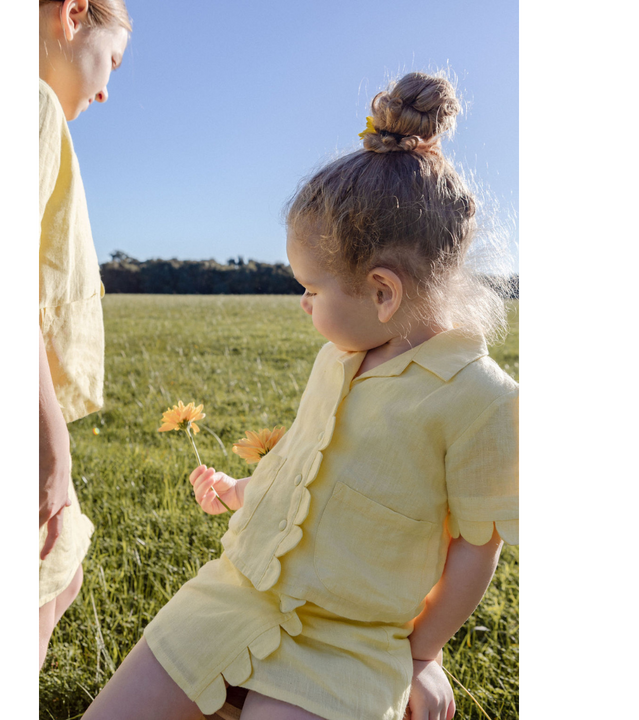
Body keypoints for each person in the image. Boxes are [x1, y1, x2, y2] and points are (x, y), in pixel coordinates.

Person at [83, 71, 518, 720]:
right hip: (238, 593)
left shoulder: (481, 400)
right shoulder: (337, 360)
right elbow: (309, 465)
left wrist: (421, 655)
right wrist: (242, 490)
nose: (303, 305)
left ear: (381, 293)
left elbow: (475, 548)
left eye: (312, 290)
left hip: (350, 647)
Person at [39, 0, 131, 670]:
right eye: (113, 61)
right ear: (72, 16)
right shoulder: (34, 108)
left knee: (61, 575)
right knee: (45, 582)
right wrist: (52, 455)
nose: (104, 89)